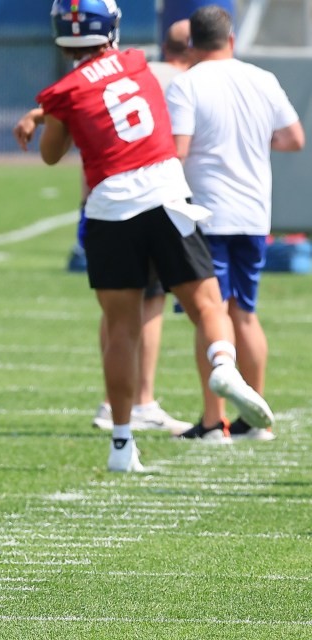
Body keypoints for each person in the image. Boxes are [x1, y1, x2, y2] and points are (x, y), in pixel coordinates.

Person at [12, 0, 274, 472]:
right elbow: (111, 82)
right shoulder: (135, 60)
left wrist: (43, 115)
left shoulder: (62, 92)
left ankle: (120, 443)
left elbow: (54, 152)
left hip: (111, 207)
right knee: (209, 306)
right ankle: (222, 366)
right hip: (166, 192)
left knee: (122, 330)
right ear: (111, 25)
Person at [166, 4, 305, 441]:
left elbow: (180, 149)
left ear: (192, 45)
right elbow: (292, 138)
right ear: (231, 40)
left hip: (206, 212)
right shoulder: (263, 79)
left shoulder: (186, 83)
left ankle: (213, 422)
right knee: (244, 312)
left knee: (210, 314)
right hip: (253, 212)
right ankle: (254, 419)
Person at [90, 18, 194, 434]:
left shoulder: (133, 70)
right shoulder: (177, 80)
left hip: (104, 200)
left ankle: (115, 402)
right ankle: (139, 401)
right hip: (153, 199)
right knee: (150, 304)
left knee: (117, 309)